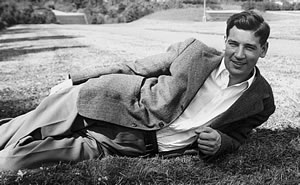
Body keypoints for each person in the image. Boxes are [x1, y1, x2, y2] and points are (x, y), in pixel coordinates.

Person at [0, 10, 275, 171]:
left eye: (249, 47)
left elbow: (238, 135)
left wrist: (222, 143)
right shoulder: (194, 52)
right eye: (233, 44)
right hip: (101, 102)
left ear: (263, 50)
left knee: (9, 163)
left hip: (120, 146)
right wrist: (74, 81)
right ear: (224, 41)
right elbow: (135, 68)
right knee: (10, 132)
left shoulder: (261, 100)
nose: (238, 54)